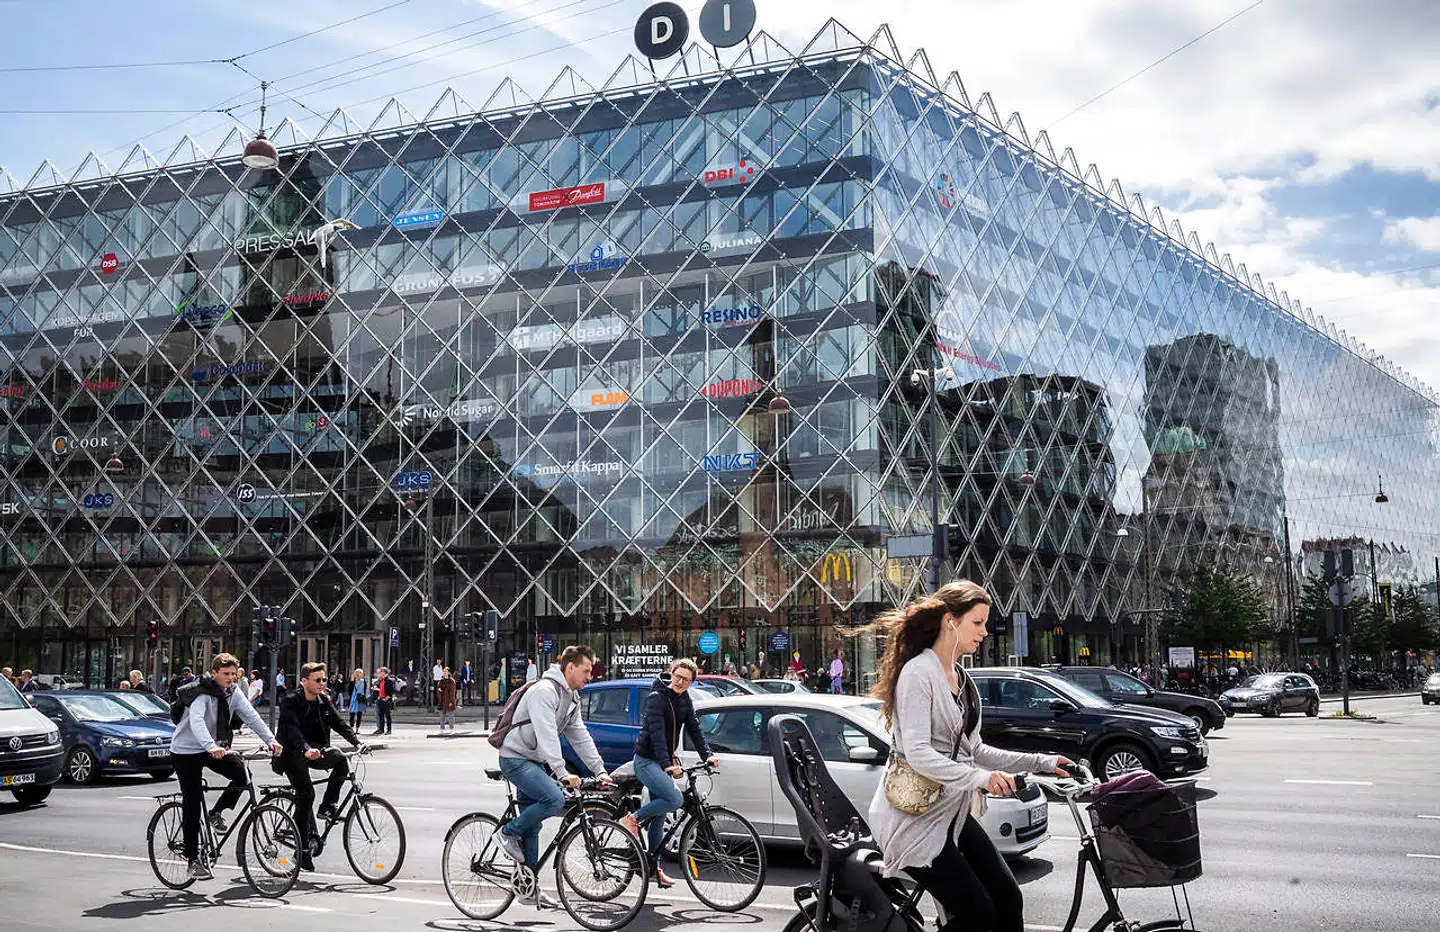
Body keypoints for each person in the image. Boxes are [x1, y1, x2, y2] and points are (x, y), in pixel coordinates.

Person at [856, 581, 1072, 932]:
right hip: (912, 821)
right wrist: (982, 779)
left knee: (1008, 898)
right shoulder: (917, 673)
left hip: (949, 812)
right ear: (950, 621)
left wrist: (1042, 761)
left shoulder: (962, 679)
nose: (985, 632)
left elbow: (977, 750)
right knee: (977, 914)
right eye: (978, 622)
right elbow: (918, 753)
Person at [494, 645, 613, 892]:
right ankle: (506, 833)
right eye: (586, 671)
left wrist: (599, 769)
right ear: (570, 667)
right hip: (515, 758)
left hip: (533, 760)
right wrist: (562, 772)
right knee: (554, 799)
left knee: (532, 826)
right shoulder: (544, 691)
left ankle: (528, 888)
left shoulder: (571, 698)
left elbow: (580, 736)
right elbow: (547, 733)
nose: (589, 677)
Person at [169, 653, 281, 881]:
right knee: (192, 802)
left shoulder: (233, 693)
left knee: (242, 775)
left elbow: (251, 717)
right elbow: (196, 721)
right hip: (186, 750)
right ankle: (192, 859)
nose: (231, 678)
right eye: (226, 674)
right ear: (215, 673)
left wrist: (271, 740)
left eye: (233, 674)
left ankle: (216, 813)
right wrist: (210, 746)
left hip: (212, 747)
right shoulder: (202, 693)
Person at [621, 659, 718, 887]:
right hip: (646, 761)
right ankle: (632, 820)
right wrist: (666, 764)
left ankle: (653, 869)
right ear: (671, 673)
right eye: (677, 676)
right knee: (674, 799)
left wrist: (708, 755)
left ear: (692, 683)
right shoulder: (657, 698)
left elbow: (694, 728)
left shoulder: (684, 699)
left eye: (686, 679)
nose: (680, 682)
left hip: (661, 762)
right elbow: (655, 734)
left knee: (659, 817)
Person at [277, 662, 365, 871]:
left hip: (315, 751)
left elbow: (340, 724)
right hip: (291, 753)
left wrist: (358, 743)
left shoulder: (323, 700)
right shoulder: (290, 702)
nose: (322, 684)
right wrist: (306, 748)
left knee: (341, 758)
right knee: (306, 795)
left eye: (323, 680)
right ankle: (302, 850)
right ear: (304, 681)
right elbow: (292, 730)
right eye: (317, 680)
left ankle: (327, 806)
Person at [372, 666, 398, 735]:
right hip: (380, 699)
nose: (380, 674)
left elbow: (391, 691)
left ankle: (389, 730)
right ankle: (381, 729)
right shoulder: (380, 681)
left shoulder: (389, 681)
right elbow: (376, 686)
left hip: (386, 700)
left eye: (381, 672)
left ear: (385, 673)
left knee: (387, 716)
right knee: (381, 716)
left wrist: (386, 698)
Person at [438, 667, 458, 732]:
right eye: (444, 671)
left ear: (449, 672)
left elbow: (452, 692)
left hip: (449, 700)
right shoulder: (441, 680)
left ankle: (451, 729)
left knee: (451, 716)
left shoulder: (452, 681)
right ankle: (442, 729)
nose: (444, 672)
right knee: (442, 716)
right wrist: (439, 690)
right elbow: (439, 689)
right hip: (442, 701)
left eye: (446, 671)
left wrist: (451, 701)